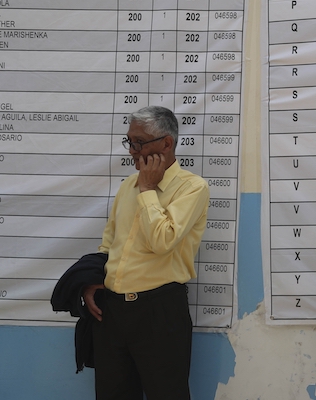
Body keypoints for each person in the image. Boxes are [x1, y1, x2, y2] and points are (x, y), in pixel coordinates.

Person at [81, 106, 210, 400]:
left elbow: (162, 241)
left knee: (167, 394)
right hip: (112, 310)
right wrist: (92, 282)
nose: (133, 151)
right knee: (112, 394)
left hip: (159, 310)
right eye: (130, 142)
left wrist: (148, 190)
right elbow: (110, 243)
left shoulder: (192, 187)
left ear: (166, 143)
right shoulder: (128, 185)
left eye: (139, 142)